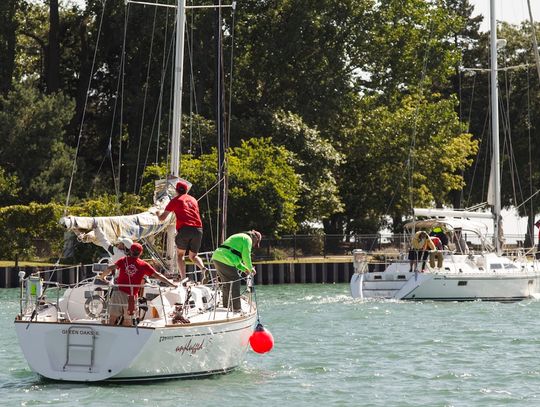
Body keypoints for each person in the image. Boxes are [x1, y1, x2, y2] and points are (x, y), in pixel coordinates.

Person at [97, 242, 176, 326]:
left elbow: (109, 268)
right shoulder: (144, 265)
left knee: (112, 318)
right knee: (128, 321)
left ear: (130, 251)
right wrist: (171, 284)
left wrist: (102, 277)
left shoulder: (123, 260)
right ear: (140, 253)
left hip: (119, 292)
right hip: (131, 296)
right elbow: (158, 275)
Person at [157, 180, 207, 280]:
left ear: (176, 190)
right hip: (198, 229)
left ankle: (183, 277)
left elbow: (162, 218)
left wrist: (157, 213)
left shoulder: (175, 200)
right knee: (193, 256)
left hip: (184, 229)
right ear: (186, 190)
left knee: (180, 255)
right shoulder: (193, 200)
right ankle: (203, 268)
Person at [211, 230, 261, 312]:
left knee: (226, 282)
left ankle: (226, 305)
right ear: (255, 238)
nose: (254, 245)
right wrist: (250, 268)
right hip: (225, 259)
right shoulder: (247, 239)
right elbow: (246, 256)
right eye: (256, 243)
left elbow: (237, 262)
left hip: (217, 257)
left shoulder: (240, 237)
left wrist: (245, 269)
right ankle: (236, 308)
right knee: (235, 282)